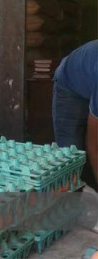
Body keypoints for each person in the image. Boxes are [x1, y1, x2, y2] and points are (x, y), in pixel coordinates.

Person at [53, 40, 98, 187]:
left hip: (90, 74)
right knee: (72, 155)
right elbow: (93, 144)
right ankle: (71, 201)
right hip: (70, 86)